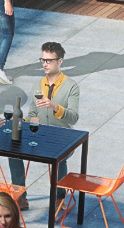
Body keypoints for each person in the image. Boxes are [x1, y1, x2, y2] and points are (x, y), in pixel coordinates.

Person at [9, 41, 80, 206]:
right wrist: (23, 121)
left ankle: (59, 197)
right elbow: (33, 114)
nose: (45, 64)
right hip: (39, 136)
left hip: (62, 137)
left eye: (49, 60)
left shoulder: (71, 87)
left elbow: (74, 118)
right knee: (13, 152)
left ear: (60, 61)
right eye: (43, 60)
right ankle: (20, 197)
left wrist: (54, 106)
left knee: (59, 158)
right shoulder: (38, 85)